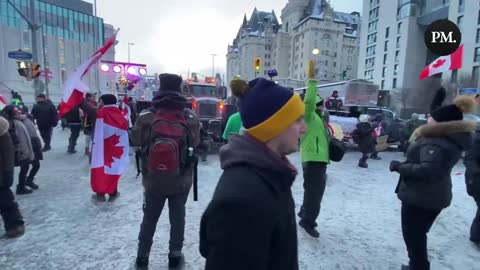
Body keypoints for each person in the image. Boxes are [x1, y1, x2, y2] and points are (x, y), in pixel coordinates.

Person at [199, 77, 306, 269]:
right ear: (274, 126)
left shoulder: (269, 173)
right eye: (297, 120)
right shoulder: (241, 202)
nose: (304, 129)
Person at [390, 95, 476, 270]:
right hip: (432, 194)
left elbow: (428, 170)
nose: (428, 119)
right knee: (418, 233)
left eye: (432, 117)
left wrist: (400, 167)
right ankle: (417, 264)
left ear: (440, 123)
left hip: (421, 196)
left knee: (414, 235)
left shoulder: (435, 142)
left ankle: (418, 266)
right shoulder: (445, 138)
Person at [131, 73, 200, 269]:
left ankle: (142, 257)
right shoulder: (189, 117)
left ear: (159, 90)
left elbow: (136, 142)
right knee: (178, 218)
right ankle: (175, 256)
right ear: (179, 91)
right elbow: (195, 143)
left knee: (150, 218)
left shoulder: (146, 116)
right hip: (181, 179)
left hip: (153, 179)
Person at [297, 62, 330, 238]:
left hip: (316, 159)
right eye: (322, 104)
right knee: (315, 193)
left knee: (311, 190)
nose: (324, 107)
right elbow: (308, 100)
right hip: (313, 159)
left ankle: (304, 213)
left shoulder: (318, 118)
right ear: (318, 104)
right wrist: (312, 80)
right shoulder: (308, 115)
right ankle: (308, 221)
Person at [2, 105, 37, 195]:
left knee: (26, 167)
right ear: (11, 112)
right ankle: (20, 187)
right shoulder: (10, 122)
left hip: (25, 147)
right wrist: (18, 148)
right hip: (19, 149)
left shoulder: (19, 120)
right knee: (24, 167)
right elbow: (12, 138)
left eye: (18, 109)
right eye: (15, 110)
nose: (18, 111)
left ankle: (21, 186)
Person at [0, 115, 25, 238]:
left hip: (1, 173)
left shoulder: (1, 125)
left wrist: (8, 171)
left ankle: (15, 225)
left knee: (5, 201)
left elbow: (8, 151)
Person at [463, 120, 480, 245]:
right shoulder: (477, 140)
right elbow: (469, 159)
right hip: (475, 180)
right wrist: (476, 173)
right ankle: (476, 237)